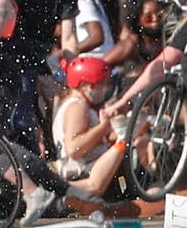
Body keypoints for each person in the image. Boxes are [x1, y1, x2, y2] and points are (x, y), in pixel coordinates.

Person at [50, 55, 128, 198]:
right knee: (124, 147)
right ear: (85, 85)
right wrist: (104, 126)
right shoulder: (78, 106)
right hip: (84, 173)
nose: (105, 90)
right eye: (101, 84)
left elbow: (90, 141)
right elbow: (74, 148)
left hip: (87, 167)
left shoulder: (74, 103)